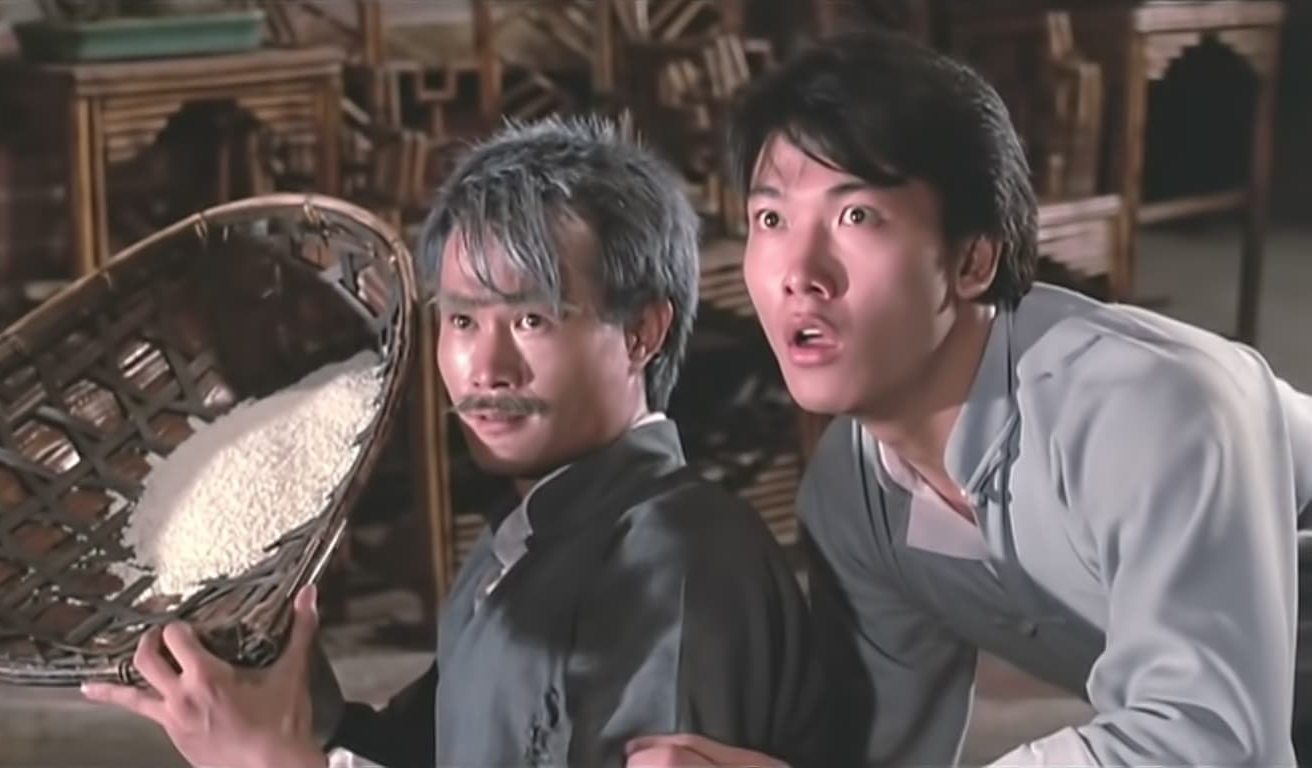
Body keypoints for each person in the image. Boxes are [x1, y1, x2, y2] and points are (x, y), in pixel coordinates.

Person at [626, 30, 1312, 768]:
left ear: (973, 259)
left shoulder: (1149, 409)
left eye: (856, 216)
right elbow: (884, 753)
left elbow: (1210, 741)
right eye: (771, 219)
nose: (799, 272)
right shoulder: (850, 495)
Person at [81, 115, 835, 768]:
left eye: (532, 319)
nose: (485, 366)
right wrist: (310, 717)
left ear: (641, 332)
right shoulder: (518, 544)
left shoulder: (682, 562)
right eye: (463, 320)